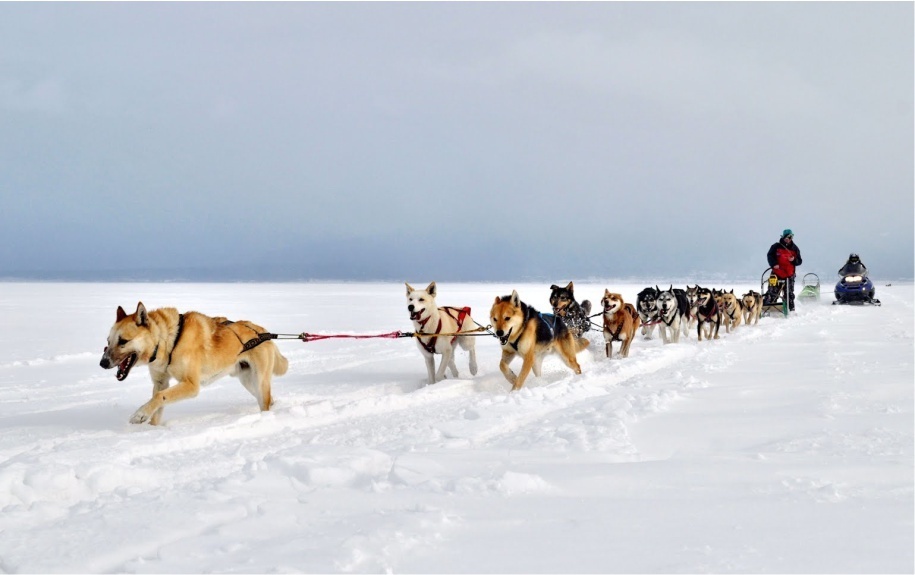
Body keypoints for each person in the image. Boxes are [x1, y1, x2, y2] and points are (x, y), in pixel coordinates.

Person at [765, 229, 802, 311]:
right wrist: (774, 264)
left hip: (789, 274)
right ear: (783, 237)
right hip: (776, 273)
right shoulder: (775, 246)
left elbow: (799, 261)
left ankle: (790, 310)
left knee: (789, 294)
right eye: (787, 237)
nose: (788, 239)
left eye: (790, 238)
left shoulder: (795, 248)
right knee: (772, 292)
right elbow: (769, 255)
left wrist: (794, 260)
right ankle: (768, 309)